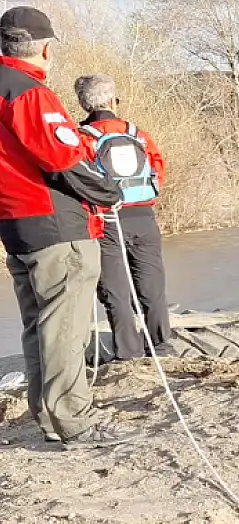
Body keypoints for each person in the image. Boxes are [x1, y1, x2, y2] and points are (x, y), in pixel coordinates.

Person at [0, 6, 131, 449]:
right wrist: (107, 193)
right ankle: (75, 421)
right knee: (67, 328)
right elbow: (62, 159)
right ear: (45, 48)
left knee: (39, 326)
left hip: (15, 226)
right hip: (55, 227)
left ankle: (49, 415)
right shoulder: (29, 93)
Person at [76, 75, 173, 361]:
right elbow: (158, 169)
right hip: (144, 215)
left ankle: (128, 352)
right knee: (152, 285)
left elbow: (77, 179)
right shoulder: (137, 134)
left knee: (115, 291)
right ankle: (162, 346)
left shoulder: (82, 138)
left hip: (106, 220)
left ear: (84, 104)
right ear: (112, 101)